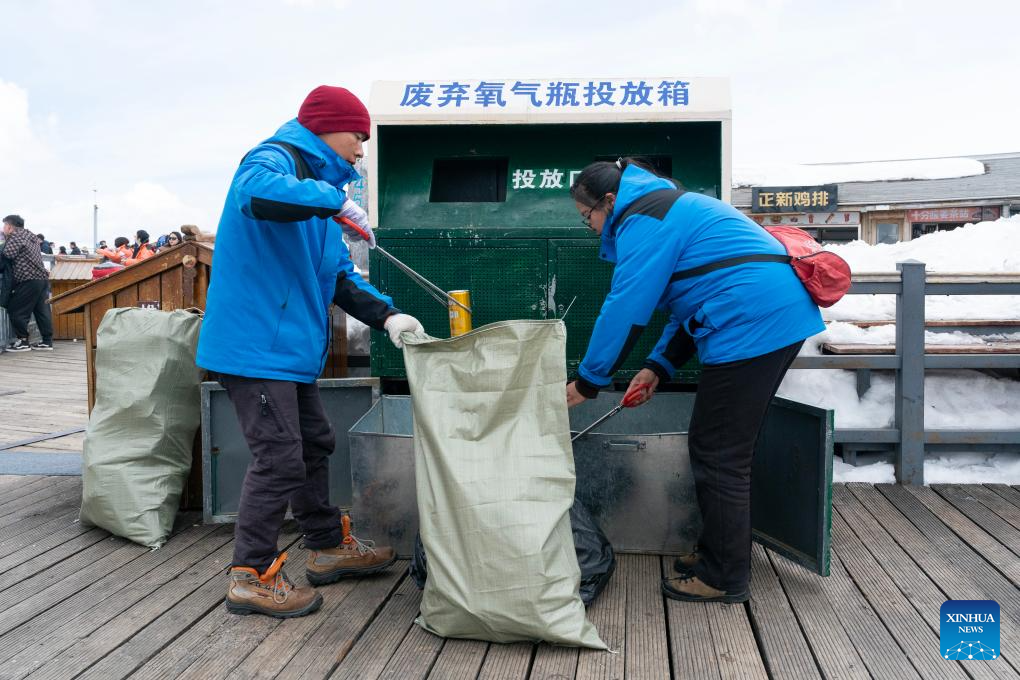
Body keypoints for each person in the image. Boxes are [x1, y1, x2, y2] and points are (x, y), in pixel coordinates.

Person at [197, 85, 424, 619]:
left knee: (314, 444)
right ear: (325, 126)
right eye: (357, 136)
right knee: (278, 457)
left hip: (290, 352)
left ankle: (325, 547)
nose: (361, 150)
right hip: (254, 348)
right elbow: (255, 194)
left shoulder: (323, 195)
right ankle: (249, 576)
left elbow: (340, 279)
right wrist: (334, 200)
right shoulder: (274, 158)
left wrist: (389, 317)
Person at [564, 158, 824, 604]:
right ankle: (717, 554)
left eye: (587, 216)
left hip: (750, 322)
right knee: (720, 449)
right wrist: (658, 367)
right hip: (763, 315)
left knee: (719, 454)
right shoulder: (663, 205)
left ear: (608, 201)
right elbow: (692, 298)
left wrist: (588, 382)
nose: (589, 227)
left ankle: (723, 576)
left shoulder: (644, 216)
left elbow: (626, 305)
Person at [1, 215, 54, 351]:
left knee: (16, 309)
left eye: (4, 226)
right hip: (41, 278)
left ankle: (23, 341)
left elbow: (8, 254)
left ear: (9, 227)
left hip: (28, 278)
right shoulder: (31, 236)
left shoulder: (16, 236)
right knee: (41, 310)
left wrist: (5, 242)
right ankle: (47, 341)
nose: (2, 229)